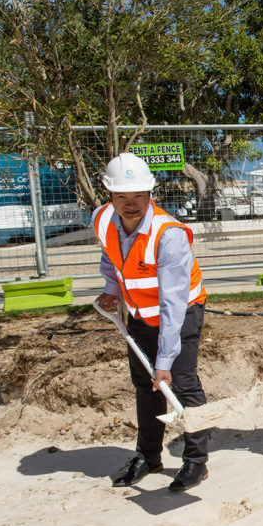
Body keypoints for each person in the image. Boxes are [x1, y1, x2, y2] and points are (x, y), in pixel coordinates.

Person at [94, 153, 210, 491]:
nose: (131, 205)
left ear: (150, 193)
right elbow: (110, 257)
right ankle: (149, 456)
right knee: (145, 384)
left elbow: (173, 304)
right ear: (109, 196)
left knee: (182, 380)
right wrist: (112, 289)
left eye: (139, 197)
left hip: (181, 309)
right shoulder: (102, 220)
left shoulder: (168, 235)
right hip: (141, 311)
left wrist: (164, 362)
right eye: (122, 198)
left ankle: (196, 462)